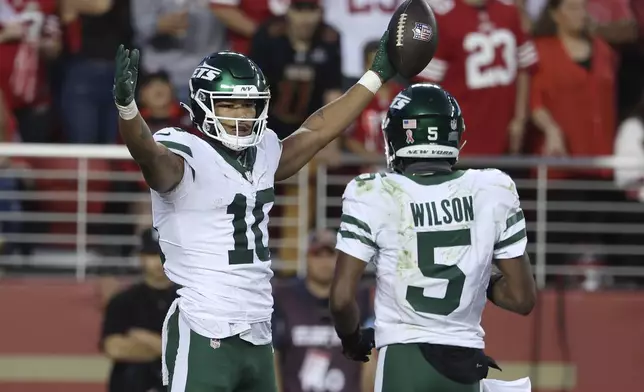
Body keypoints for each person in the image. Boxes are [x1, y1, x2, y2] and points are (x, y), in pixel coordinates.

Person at [112, 28, 397, 391]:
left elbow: (319, 129)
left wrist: (374, 77)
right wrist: (128, 110)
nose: (241, 115)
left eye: (248, 105)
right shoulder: (184, 152)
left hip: (259, 330)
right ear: (203, 105)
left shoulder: (263, 152)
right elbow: (149, 154)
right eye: (229, 104)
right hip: (205, 328)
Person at [329, 83, 537, 392]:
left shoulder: (374, 192)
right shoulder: (492, 188)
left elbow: (342, 298)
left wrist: (352, 340)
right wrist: (481, 276)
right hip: (464, 364)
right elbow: (522, 298)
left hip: (404, 359)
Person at [419, 0, 538, 155]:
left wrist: (520, 118)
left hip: (507, 134)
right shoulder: (441, 17)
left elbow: (526, 66)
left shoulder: (508, 10)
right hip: (464, 137)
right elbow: (428, 85)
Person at [272, 229, 375, 392]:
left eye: (330, 254)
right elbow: (273, 357)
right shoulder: (284, 298)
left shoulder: (360, 299)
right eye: (317, 254)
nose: (324, 261)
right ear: (306, 258)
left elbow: (370, 362)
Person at [101, 227, 179, 392]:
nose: (159, 261)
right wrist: (168, 350)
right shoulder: (123, 301)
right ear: (141, 257)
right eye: (152, 255)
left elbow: (198, 350)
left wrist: (144, 339)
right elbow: (113, 348)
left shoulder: (188, 299)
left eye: (164, 254)